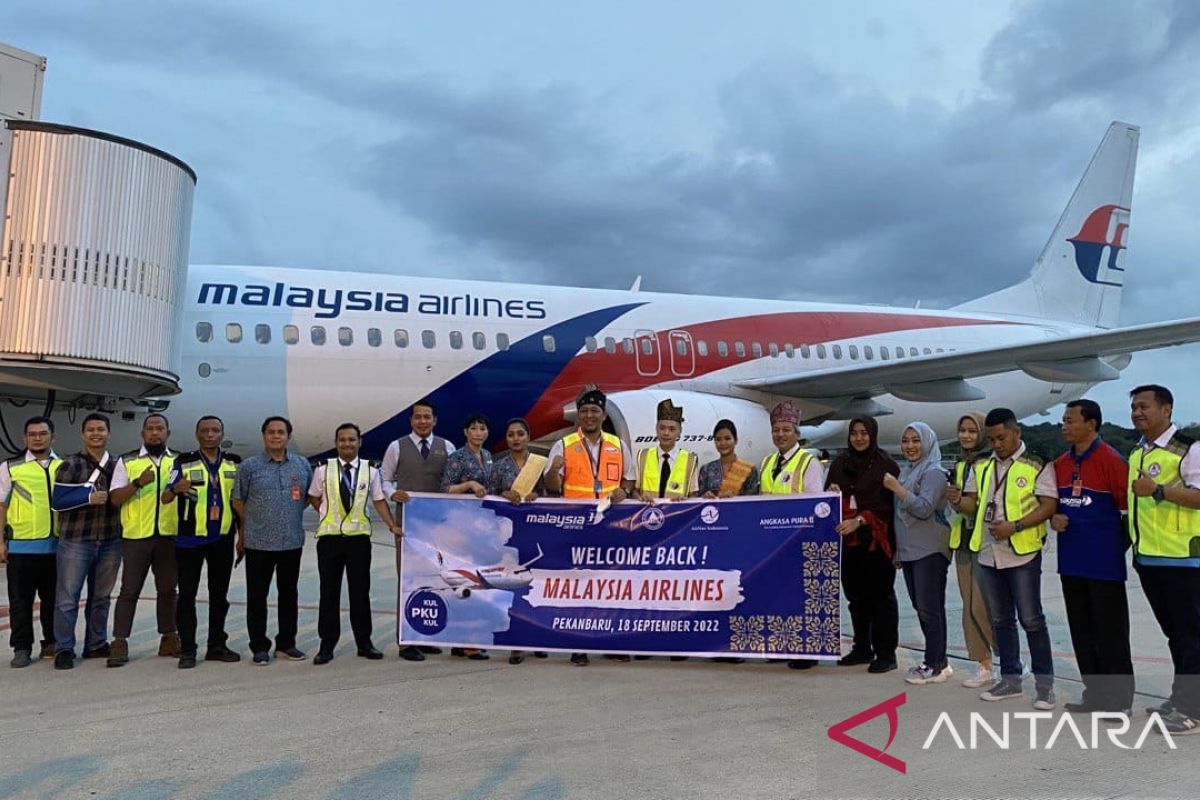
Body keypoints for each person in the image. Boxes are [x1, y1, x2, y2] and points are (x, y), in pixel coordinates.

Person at [959, 408, 1058, 710]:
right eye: (992, 439)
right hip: (989, 551)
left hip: (1022, 551)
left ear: (1017, 432)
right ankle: (1010, 678)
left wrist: (1014, 526)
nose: (997, 444)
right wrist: (957, 500)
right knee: (1001, 619)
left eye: (1001, 438)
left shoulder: (1036, 463)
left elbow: (1049, 505)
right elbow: (973, 504)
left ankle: (1044, 686)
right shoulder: (982, 465)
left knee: (1031, 619)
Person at [1049, 399, 1134, 714]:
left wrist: (1112, 550)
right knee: (1082, 631)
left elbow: (1130, 515)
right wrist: (1053, 517)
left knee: (1110, 632)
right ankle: (1095, 693)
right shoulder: (1060, 463)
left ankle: (1119, 700)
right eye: (1064, 420)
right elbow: (1053, 505)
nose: (1065, 426)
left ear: (1091, 424)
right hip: (1071, 561)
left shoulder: (1112, 461)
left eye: (1071, 420)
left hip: (1104, 564)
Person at [543, 385, 636, 665]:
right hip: (578, 524)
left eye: (594, 411)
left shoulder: (618, 446)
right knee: (579, 584)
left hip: (610, 522)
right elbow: (551, 486)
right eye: (584, 411)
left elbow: (629, 479)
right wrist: (553, 470)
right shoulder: (564, 445)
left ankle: (612, 642)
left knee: (612, 583)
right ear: (578, 416)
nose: (589, 416)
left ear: (603, 414)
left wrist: (626, 492)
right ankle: (579, 644)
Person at [1126, 384, 1200, 735]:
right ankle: (1181, 696)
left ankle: (1192, 709)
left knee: (1191, 636)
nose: (1137, 413)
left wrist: (1157, 490)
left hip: (1183, 559)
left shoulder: (1188, 449)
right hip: (1151, 558)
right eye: (1134, 408)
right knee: (1175, 635)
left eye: (1144, 406)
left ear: (1166, 410)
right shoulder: (1139, 453)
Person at [308, 423, 400, 665]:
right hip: (329, 540)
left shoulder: (370, 471)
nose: (346, 444)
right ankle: (326, 645)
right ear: (336, 442)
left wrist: (391, 525)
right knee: (328, 594)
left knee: (360, 593)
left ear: (359, 443)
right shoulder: (322, 470)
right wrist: (325, 514)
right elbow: (314, 496)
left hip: (359, 540)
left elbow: (379, 501)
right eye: (342, 440)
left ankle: (364, 642)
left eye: (351, 440)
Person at [163, 415, 243, 668]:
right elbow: (165, 497)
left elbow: (240, 503)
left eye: (215, 430)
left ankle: (216, 645)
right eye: (205, 430)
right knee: (187, 595)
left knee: (219, 595)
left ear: (222, 434)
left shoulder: (234, 463)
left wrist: (243, 536)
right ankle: (188, 649)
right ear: (197, 434)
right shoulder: (183, 461)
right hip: (189, 540)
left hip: (222, 538)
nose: (210, 434)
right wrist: (176, 489)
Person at [232, 416, 313, 666]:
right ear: (264, 435)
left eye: (281, 432)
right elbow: (237, 500)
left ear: (288, 436)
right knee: (257, 597)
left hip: (291, 542)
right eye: (271, 432)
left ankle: (287, 643)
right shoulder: (250, 467)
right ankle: (259, 646)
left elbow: (309, 497)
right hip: (258, 544)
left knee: (289, 595)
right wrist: (253, 522)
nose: (276, 436)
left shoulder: (302, 465)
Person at [825, 417, 900, 674]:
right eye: (854, 433)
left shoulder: (885, 464)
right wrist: (832, 492)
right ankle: (862, 647)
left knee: (881, 597)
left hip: (876, 543)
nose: (858, 438)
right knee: (855, 597)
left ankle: (886, 653)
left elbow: (890, 507)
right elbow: (826, 501)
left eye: (864, 433)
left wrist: (861, 520)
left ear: (873, 435)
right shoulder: (839, 464)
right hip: (849, 542)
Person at [381, 399, 453, 662]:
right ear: (411, 421)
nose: (422, 421)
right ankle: (405, 640)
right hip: (407, 528)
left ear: (435, 420)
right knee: (408, 581)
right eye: (417, 417)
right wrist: (392, 493)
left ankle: (426, 635)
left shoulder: (447, 446)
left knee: (435, 580)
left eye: (427, 417)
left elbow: (452, 484)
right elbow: (384, 478)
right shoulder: (396, 447)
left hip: (437, 528)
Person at [50, 413, 122, 670]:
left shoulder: (117, 464)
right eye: (91, 429)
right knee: (68, 598)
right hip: (76, 541)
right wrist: (87, 498)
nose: (96, 434)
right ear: (83, 434)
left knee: (101, 597)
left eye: (101, 429)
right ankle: (64, 648)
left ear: (108, 434)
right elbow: (57, 501)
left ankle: (96, 643)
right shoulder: (70, 464)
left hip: (110, 540)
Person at [108, 413, 179, 667]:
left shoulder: (179, 461)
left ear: (167, 433)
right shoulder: (127, 461)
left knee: (168, 590)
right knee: (129, 591)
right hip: (136, 537)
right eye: (150, 429)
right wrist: (138, 483)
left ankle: (169, 637)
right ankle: (119, 641)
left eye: (160, 428)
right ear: (142, 434)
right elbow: (115, 498)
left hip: (168, 536)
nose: (155, 433)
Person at [760, 400, 826, 671]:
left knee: (800, 597)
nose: (780, 435)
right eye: (776, 430)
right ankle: (781, 644)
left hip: (798, 539)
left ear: (797, 433)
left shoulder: (808, 463)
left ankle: (805, 650)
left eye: (786, 430)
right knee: (777, 595)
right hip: (771, 542)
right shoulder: (766, 462)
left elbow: (813, 503)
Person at [886, 422, 951, 685]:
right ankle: (940, 661)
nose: (910, 446)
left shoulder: (934, 472)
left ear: (927, 443)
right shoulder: (908, 471)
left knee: (929, 608)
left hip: (930, 549)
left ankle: (933, 663)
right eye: (906, 441)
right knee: (923, 607)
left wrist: (898, 490)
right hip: (912, 550)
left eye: (916, 441)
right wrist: (899, 550)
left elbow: (924, 508)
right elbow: (899, 519)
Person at [487, 417, 549, 665]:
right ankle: (516, 643)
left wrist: (537, 495)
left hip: (534, 532)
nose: (515, 439)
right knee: (513, 588)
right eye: (511, 434)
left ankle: (534, 639)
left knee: (535, 586)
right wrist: (503, 494)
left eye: (520, 434)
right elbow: (488, 495)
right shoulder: (499, 466)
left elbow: (550, 493)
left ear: (528, 437)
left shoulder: (539, 465)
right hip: (508, 534)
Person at [0, 417, 61, 668]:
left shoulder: (64, 466)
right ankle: (22, 647)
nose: (37, 438)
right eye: (32, 434)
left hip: (56, 547)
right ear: (25, 438)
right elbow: (1, 506)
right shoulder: (11, 467)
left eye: (42, 433)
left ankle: (51, 643)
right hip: (21, 547)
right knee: (20, 601)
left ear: (52, 437)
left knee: (54, 601)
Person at [944, 412, 997, 689]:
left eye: (971, 431)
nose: (965, 435)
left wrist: (958, 501)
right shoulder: (962, 464)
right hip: (964, 540)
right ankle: (984, 664)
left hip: (987, 542)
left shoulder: (989, 464)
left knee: (981, 606)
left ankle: (1009, 659)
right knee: (969, 608)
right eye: (962, 430)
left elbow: (975, 504)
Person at [440, 412, 494, 661]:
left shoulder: (488, 457)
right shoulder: (457, 457)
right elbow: (445, 489)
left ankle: (469, 639)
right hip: (461, 526)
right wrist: (470, 485)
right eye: (473, 428)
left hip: (481, 528)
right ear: (465, 432)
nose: (478, 433)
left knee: (478, 584)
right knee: (464, 583)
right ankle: (464, 641)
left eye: (482, 429)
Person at [634, 399, 698, 501]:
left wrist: (685, 500)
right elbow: (634, 490)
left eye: (672, 429)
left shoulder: (690, 460)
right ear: (656, 429)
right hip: (649, 514)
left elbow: (694, 494)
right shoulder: (643, 456)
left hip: (678, 514)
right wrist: (639, 498)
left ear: (679, 431)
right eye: (662, 428)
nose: (666, 433)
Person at [697, 419, 760, 498]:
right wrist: (706, 496)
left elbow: (752, 501)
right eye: (718, 439)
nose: (723, 443)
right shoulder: (706, 469)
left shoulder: (749, 470)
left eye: (727, 438)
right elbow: (699, 499)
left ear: (735, 440)